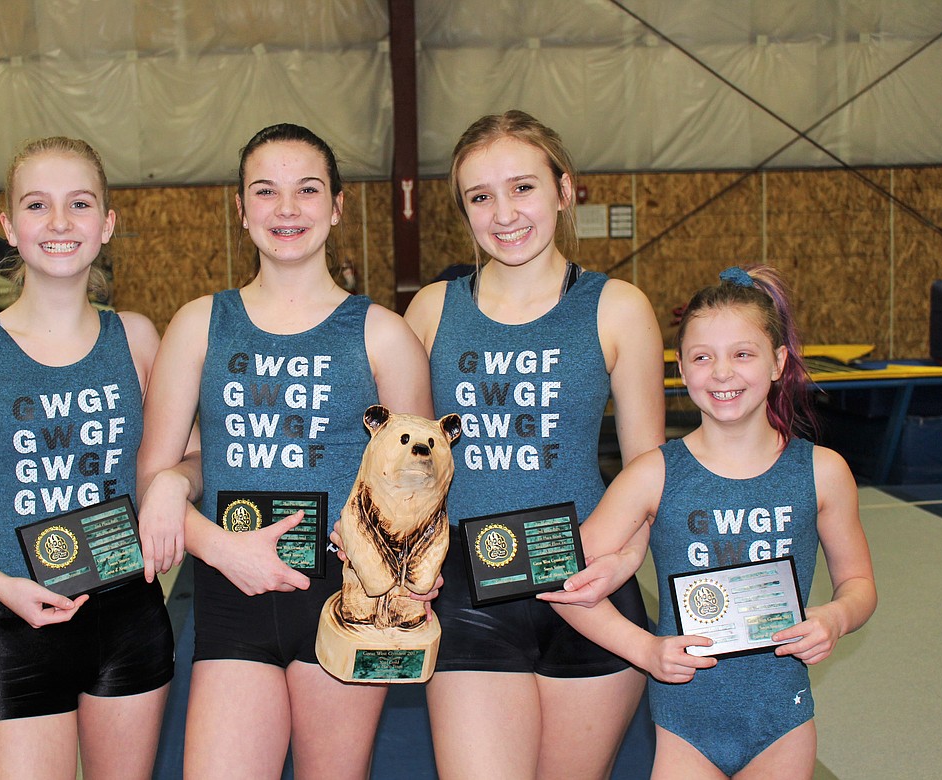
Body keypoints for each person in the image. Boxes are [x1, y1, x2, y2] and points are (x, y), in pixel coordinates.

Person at [135, 123, 433, 780]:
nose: (288, 209)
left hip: (343, 594)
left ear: (337, 207)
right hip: (229, 588)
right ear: (241, 210)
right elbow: (152, 474)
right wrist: (206, 533)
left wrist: (407, 563)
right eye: (266, 192)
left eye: (307, 189)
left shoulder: (383, 336)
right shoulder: (197, 325)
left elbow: (420, 488)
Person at [0, 137, 174, 779]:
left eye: (79, 204)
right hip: (20, 615)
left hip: (129, 612)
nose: (58, 222)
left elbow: (188, 458)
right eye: (37, 205)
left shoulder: (135, 336)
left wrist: (166, 489)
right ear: (8, 229)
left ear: (106, 224)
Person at [402, 110, 665, 779]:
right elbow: (401, 470)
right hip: (467, 588)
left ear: (564, 190)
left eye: (522, 187)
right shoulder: (433, 311)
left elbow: (649, 471)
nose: (504, 213)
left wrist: (624, 558)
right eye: (480, 197)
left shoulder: (618, 308)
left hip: (588, 580)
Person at [543, 265, 878, 779]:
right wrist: (645, 649)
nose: (722, 373)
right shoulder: (652, 474)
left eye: (742, 354)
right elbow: (558, 575)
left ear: (777, 362)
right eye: (703, 357)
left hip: (781, 723)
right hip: (684, 728)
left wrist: (835, 618)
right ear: (681, 367)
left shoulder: (823, 472)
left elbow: (859, 584)